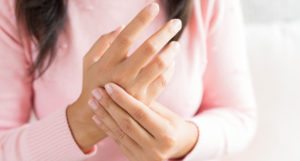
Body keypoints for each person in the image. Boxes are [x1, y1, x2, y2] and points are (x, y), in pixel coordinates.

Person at [0, 0, 256, 161]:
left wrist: (183, 140)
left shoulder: (207, 4)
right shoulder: (12, 7)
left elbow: (238, 115)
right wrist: (82, 124)